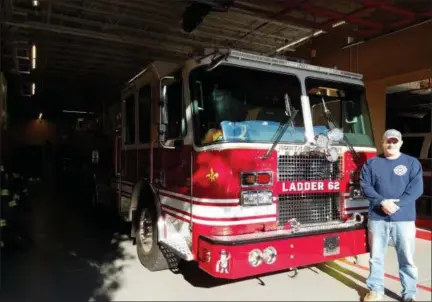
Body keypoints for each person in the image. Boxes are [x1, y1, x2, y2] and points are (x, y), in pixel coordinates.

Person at [360, 129, 423, 302]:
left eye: (395, 141)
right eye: (388, 141)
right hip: (378, 218)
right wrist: (382, 202)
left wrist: (397, 204)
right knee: (376, 258)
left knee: (407, 258)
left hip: (404, 218)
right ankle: (375, 290)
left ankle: (410, 294)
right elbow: (365, 186)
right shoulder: (372, 164)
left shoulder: (411, 163)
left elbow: (416, 189)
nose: (391, 144)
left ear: (400, 143)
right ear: (382, 142)